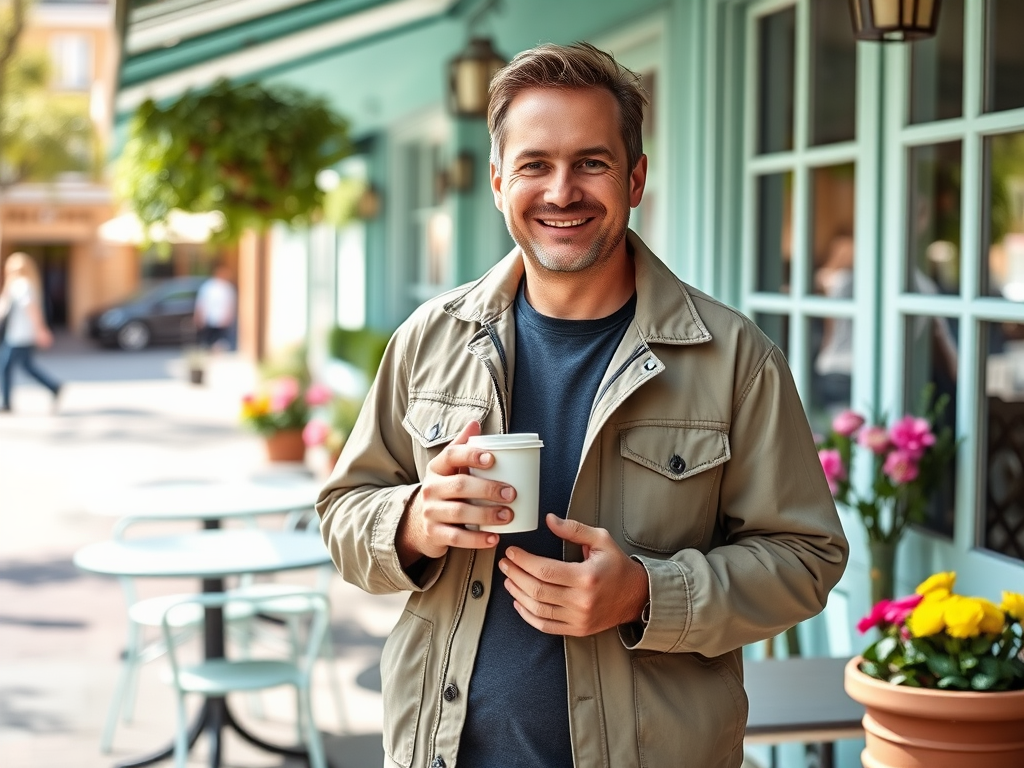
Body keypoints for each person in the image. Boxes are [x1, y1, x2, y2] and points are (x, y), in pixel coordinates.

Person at [316, 42, 849, 768]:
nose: (561, 191)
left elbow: (806, 559)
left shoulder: (734, 359)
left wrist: (648, 594)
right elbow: (342, 511)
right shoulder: (428, 340)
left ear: (635, 179)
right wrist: (412, 520)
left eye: (591, 163)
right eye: (535, 164)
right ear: (500, 180)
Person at [0, 253, 62, 413]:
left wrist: (41, 329)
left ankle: (7, 403)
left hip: (19, 335)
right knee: (24, 366)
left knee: (6, 367)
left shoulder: (21, 284)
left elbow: (31, 308)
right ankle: (53, 387)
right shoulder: (22, 284)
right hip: (17, 334)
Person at [193, 262, 236, 351]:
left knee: (220, 342)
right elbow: (201, 303)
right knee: (208, 341)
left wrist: (228, 317)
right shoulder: (208, 287)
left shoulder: (227, 288)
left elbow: (230, 304)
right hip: (209, 319)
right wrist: (199, 316)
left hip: (221, 320)